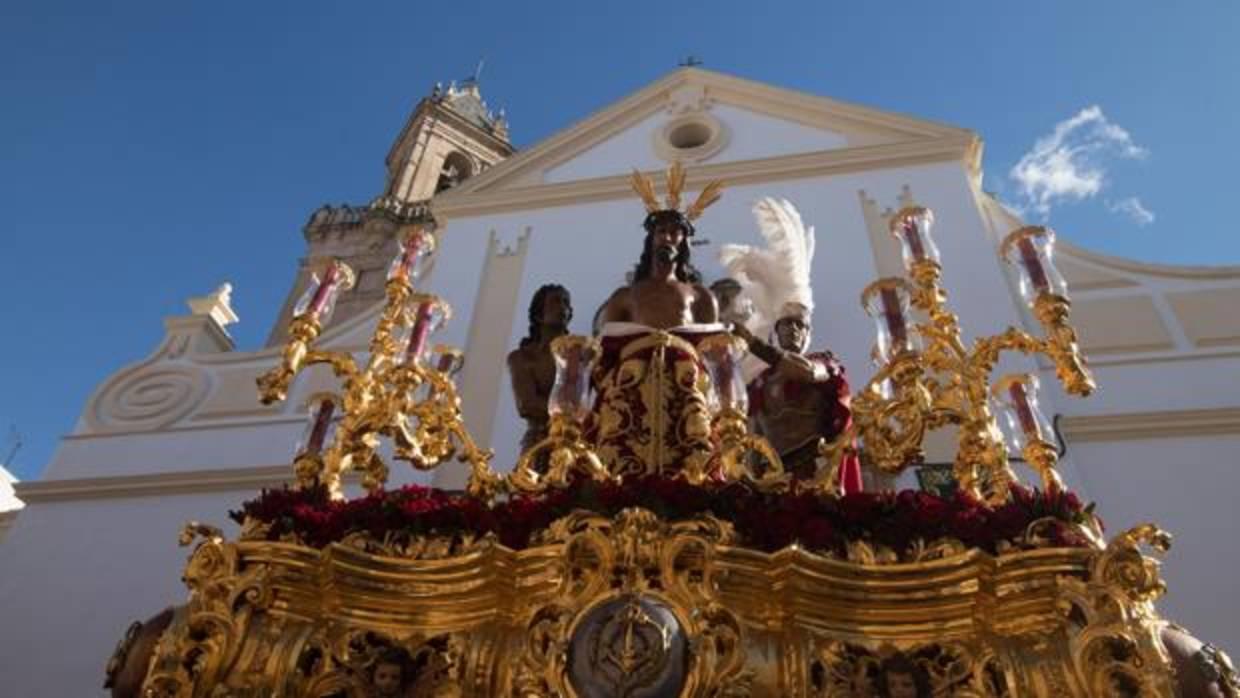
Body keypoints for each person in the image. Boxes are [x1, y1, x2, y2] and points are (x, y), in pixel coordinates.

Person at [590, 164, 726, 476]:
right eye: (661, 231)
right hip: (631, 388)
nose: (668, 237)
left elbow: (715, 353)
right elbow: (606, 352)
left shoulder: (702, 297)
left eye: (676, 232)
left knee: (694, 458)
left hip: (686, 386)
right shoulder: (625, 296)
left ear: (685, 242)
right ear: (650, 239)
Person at [735, 304, 861, 490]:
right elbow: (755, 435)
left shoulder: (823, 363)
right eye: (786, 323)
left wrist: (754, 344)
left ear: (808, 333)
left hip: (813, 466)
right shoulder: (760, 382)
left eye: (800, 324)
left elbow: (807, 372)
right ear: (777, 332)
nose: (793, 328)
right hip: (772, 474)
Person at [507, 284, 573, 454]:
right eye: (555, 301)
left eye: (566, 302)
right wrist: (573, 415)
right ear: (538, 315)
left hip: (577, 442)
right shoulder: (522, 357)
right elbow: (527, 404)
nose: (563, 307)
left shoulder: (579, 355)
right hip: (541, 441)